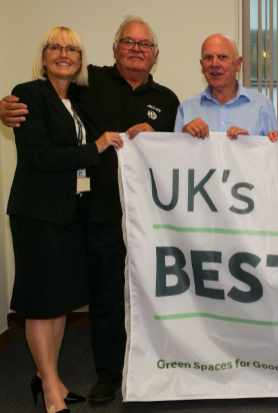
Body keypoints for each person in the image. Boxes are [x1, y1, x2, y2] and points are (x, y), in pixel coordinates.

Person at [0, 16, 180, 404]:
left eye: (144, 45)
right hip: (93, 213)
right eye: (128, 42)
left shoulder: (168, 100)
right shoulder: (89, 85)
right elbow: (45, 102)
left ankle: (157, 365)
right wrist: (5, 109)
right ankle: (108, 374)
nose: (136, 49)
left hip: (151, 219)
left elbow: (179, 152)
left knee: (156, 294)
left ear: (155, 55)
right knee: (103, 297)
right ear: (114, 49)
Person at [7, 26, 123, 413]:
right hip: (38, 214)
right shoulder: (29, 95)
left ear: (80, 59)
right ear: (43, 57)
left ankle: (48, 378)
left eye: (71, 49)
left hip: (70, 215)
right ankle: (51, 391)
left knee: (59, 303)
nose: (63, 54)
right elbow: (41, 158)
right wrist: (97, 145)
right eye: (55, 47)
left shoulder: (76, 98)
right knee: (41, 303)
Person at [175, 33, 278, 139]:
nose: (214, 64)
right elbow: (176, 153)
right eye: (208, 57)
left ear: (238, 64)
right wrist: (184, 137)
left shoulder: (262, 106)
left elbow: (274, 153)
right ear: (202, 66)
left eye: (222, 57)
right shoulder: (186, 109)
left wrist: (248, 145)